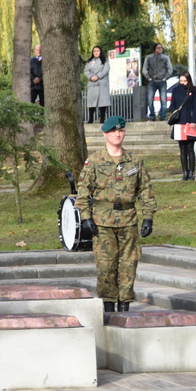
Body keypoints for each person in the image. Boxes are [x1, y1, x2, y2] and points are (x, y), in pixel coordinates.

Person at [75, 116, 157, 313]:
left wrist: (148, 216)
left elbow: (145, 189)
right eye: (113, 132)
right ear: (105, 134)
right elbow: (83, 191)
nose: (117, 134)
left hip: (128, 218)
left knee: (129, 263)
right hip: (102, 220)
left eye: (120, 131)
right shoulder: (94, 161)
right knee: (106, 264)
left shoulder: (134, 161)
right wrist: (86, 217)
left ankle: (125, 303)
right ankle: (109, 303)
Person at [168, 71, 196, 180]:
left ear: (189, 80)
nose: (183, 83)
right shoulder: (175, 90)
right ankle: (184, 173)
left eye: (185, 81)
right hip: (179, 123)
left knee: (190, 148)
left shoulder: (195, 90)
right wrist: (176, 112)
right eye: (181, 81)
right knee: (182, 149)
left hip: (190, 122)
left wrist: (193, 121)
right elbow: (172, 105)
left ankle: (192, 173)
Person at [143, 43, 173, 121]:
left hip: (162, 81)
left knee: (163, 100)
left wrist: (165, 78)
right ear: (154, 49)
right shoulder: (149, 58)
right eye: (158, 48)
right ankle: (152, 116)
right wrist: (148, 78)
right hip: (152, 81)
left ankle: (163, 116)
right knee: (150, 100)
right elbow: (144, 69)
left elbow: (170, 69)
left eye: (161, 47)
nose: (160, 49)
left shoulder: (165, 57)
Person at [83, 45, 110, 124]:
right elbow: (86, 71)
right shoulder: (89, 61)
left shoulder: (105, 60)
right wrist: (91, 77)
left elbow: (106, 70)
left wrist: (98, 76)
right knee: (91, 102)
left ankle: (102, 118)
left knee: (102, 102)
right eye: (94, 51)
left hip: (101, 83)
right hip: (92, 83)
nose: (96, 52)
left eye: (97, 51)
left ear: (100, 51)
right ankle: (90, 118)